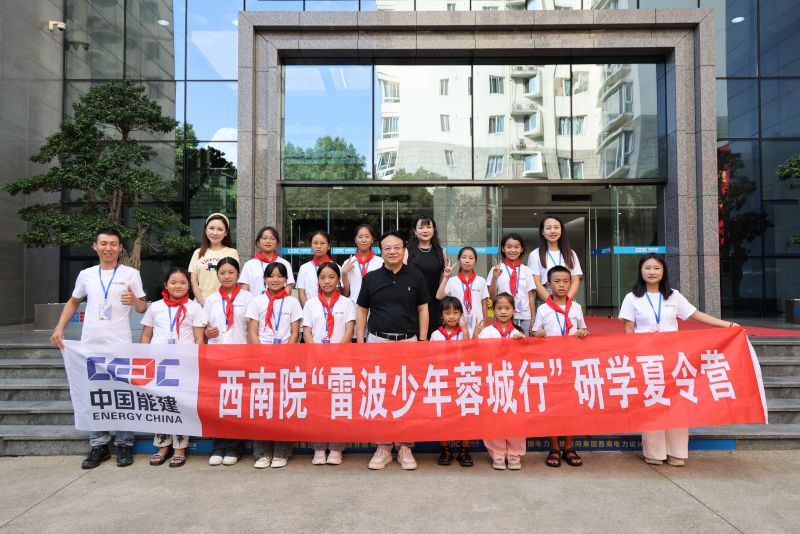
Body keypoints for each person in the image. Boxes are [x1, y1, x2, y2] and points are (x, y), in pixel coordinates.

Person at [619, 253, 739, 467]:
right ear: (641, 271)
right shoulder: (632, 297)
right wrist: (631, 355)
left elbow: (696, 315)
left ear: (663, 271)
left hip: (673, 358)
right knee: (652, 402)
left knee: (676, 403)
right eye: (648, 268)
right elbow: (628, 328)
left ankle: (677, 452)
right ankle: (654, 453)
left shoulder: (673, 296)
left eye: (656, 268)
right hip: (647, 359)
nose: (652, 272)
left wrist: (727, 325)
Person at [49, 228, 147, 469]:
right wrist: (59, 328)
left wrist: (135, 301)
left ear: (120, 248)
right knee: (94, 393)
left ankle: (124, 443)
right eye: (103, 243)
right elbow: (73, 302)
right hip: (91, 345)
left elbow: (143, 307)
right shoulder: (86, 275)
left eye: (113, 244)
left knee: (123, 393)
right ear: (95, 246)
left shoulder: (131, 274)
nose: (108, 248)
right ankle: (99, 445)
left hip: (120, 344)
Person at [356, 230, 429, 471]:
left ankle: (405, 446)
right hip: (378, 342)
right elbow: (362, 311)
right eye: (387, 248)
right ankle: (383, 446)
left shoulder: (416, 276)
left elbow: (423, 309)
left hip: (408, 342)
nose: (392, 251)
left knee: (407, 393)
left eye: (397, 247)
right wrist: (361, 342)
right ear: (381, 251)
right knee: (380, 393)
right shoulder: (371, 278)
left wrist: (422, 340)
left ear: (404, 250)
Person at [140, 267, 206, 468]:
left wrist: (196, 362)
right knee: (161, 404)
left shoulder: (195, 308)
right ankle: (162, 446)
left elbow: (199, 338)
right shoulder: (155, 307)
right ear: (166, 285)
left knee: (180, 405)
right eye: (174, 282)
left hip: (183, 365)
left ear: (189, 286)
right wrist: (144, 359)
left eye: (183, 282)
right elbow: (146, 335)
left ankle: (179, 448)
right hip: (158, 366)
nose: (178, 286)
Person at [245, 262, 303, 468]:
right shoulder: (257, 301)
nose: (275, 280)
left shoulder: (292, 303)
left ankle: (282, 452)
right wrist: (261, 355)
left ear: (286, 280)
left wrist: (285, 355)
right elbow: (253, 331)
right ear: (265, 279)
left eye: (280, 276)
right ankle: (262, 453)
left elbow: (295, 333)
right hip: (262, 360)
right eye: (271, 276)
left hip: (285, 360)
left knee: (283, 405)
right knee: (262, 405)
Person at [532, 265, 589, 468]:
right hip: (551, 364)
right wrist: (537, 334)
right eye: (557, 281)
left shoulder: (576, 308)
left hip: (572, 363)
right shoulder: (543, 309)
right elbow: (535, 332)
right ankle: (554, 447)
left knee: (571, 405)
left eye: (566, 281)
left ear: (571, 284)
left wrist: (583, 332)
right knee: (554, 406)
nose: (562, 285)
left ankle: (569, 446)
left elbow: (583, 329)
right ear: (549, 285)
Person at [302, 262, 356, 466]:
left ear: (338, 279)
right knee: (318, 403)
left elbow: (349, 330)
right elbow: (307, 331)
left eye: (331, 277)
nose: (327, 281)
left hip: (340, 360)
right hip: (316, 360)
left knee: (339, 402)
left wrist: (335, 352)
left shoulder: (346, 303)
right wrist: (317, 352)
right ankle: (318, 447)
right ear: (317, 280)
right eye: (322, 277)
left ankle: (336, 447)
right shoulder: (310, 304)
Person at [203, 257, 253, 466]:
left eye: (230, 272)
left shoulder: (249, 298)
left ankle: (234, 447)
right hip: (218, 357)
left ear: (238, 274)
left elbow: (252, 328)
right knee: (219, 402)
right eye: (222, 273)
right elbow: (204, 328)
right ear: (217, 275)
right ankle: (218, 446)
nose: (226, 276)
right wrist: (208, 332)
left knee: (237, 402)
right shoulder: (211, 300)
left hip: (241, 356)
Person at [478, 293, 526, 470]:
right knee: (494, 417)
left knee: (515, 417)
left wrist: (522, 343)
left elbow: (526, 358)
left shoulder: (518, 333)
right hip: (493, 380)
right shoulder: (486, 332)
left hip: (513, 382)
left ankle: (514, 453)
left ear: (513, 310)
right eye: (499, 308)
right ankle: (497, 453)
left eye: (507, 308)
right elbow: (480, 355)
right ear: (493, 310)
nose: (503, 312)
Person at [429, 296, 475, 467]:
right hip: (442, 380)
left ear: (461, 314)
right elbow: (431, 358)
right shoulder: (435, 335)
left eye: (455, 312)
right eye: (447, 313)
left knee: (465, 415)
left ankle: (464, 450)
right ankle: (445, 449)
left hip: (462, 379)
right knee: (443, 416)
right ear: (441, 316)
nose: (451, 316)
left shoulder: (464, 332)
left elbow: (468, 353)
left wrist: (466, 331)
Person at [487, 233, 536, 335]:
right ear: (503, 249)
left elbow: (531, 297)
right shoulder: (496, 269)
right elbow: (492, 296)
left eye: (517, 247)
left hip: (524, 317)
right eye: (509, 247)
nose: (513, 250)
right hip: (502, 315)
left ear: (521, 249)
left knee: (523, 343)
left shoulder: (527, 270)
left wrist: (533, 319)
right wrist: (495, 278)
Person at [406, 214, 447, 336]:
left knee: (433, 338)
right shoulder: (407, 251)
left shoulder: (441, 252)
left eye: (429, 227)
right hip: (412, 303)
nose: (425, 230)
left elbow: (442, 281)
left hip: (434, 303)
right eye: (421, 227)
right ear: (415, 231)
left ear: (433, 230)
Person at [436, 246, 489, 337]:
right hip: (458, 325)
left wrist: (485, 323)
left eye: (471, 258)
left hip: (477, 325)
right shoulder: (452, 281)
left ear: (475, 261)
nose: (467, 261)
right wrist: (446, 277)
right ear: (459, 260)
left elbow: (484, 304)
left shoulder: (481, 281)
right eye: (464, 257)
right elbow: (439, 296)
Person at [528, 215, 583, 302]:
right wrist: (551, 303)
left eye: (556, 227)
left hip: (568, 297)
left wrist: (566, 300)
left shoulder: (570, 253)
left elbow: (575, 281)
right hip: (545, 298)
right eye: (548, 228)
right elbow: (536, 283)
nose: (552, 231)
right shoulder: (535, 254)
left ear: (561, 230)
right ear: (542, 232)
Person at [188, 213, 239, 306]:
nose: (215, 233)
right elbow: (193, 281)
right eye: (211, 228)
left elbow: (234, 278)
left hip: (224, 300)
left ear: (226, 233)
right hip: (201, 300)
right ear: (206, 230)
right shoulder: (198, 253)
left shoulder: (232, 252)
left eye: (220, 229)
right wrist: (202, 302)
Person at [296, 230, 349, 308]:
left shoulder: (336, 267)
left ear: (328, 246)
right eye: (315, 243)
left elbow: (343, 293)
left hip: (332, 310)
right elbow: (301, 293)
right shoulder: (304, 268)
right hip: (310, 311)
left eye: (322, 243)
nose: (318, 246)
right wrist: (309, 311)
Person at [239, 226, 295, 296]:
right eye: (264, 238)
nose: (268, 241)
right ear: (258, 242)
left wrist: (279, 302)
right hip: (255, 302)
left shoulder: (285, 263)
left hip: (279, 302)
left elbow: (288, 287)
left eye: (272, 238)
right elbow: (244, 289)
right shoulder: (249, 265)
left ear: (277, 242)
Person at [341, 224, 383, 307]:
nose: (364, 240)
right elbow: (346, 294)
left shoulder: (380, 262)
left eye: (367, 237)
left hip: (375, 307)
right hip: (353, 307)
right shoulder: (348, 263)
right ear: (355, 240)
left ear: (372, 240)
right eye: (360, 237)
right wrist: (344, 273)